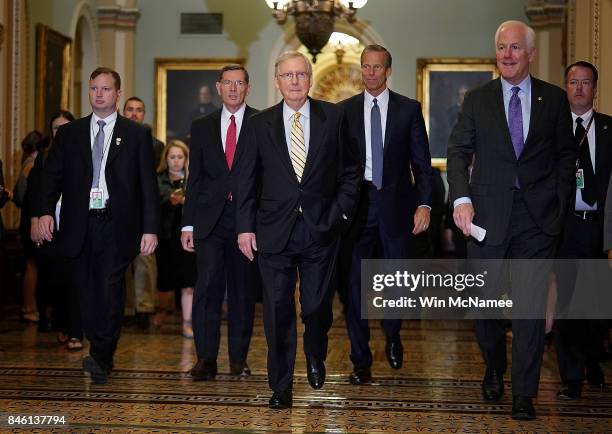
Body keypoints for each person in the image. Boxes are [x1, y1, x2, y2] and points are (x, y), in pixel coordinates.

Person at [447, 21, 577, 420]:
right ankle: (494, 365)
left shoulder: (554, 101)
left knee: (529, 309)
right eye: (501, 47)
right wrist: (462, 198)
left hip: (537, 219)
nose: (506, 54)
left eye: (515, 48)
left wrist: (556, 203)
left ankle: (524, 393)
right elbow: (457, 151)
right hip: (487, 217)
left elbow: (565, 158)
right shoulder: (477, 99)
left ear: (530, 53)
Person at [236, 51, 361, 409]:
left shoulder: (334, 117)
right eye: (287, 76)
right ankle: (281, 385)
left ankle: (315, 351)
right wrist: (245, 228)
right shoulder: (259, 124)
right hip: (273, 231)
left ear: (310, 79)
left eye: (300, 75)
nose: (294, 81)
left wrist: (339, 214)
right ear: (276, 81)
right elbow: (246, 181)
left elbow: (352, 172)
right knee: (277, 309)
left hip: (320, 229)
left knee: (317, 306)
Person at [38, 67, 160, 385]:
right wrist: (43, 212)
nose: (99, 94)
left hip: (116, 224)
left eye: (105, 89)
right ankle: (99, 345)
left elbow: (148, 186)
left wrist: (150, 229)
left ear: (117, 93)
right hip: (79, 224)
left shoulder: (136, 134)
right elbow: (51, 178)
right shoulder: (70, 134)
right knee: (84, 289)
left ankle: (102, 355)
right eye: (93, 89)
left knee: (108, 287)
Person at [339, 44, 434, 385]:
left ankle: (392, 333)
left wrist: (425, 205)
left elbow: (422, 165)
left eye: (377, 67)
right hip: (357, 208)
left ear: (388, 70)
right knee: (353, 287)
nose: (371, 73)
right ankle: (360, 360)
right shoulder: (345, 112)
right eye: (366, 67)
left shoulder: (408, 110)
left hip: (396, 206)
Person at [181, 64, 260, 380]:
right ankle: (206, 359)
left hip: (246, 222)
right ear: (218, 87)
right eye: (227, 83)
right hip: (209, 221)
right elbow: (194, 178)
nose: (232, 89)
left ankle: (238, 359)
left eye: (239, 83)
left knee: (242, 292)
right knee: (207, 288)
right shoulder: (201, 126)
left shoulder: (261, 123)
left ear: (247, 88)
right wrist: (187, 225)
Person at [553, 61, 612, 399]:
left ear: (594, 88)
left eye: (585, 83)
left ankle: (593, 360)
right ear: (566, 87)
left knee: (596, 302)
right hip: (565, 227)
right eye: (573, 82)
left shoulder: (608, 129)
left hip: (598, 228)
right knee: (567, 301)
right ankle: (571, 377)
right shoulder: (555, 130)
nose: (578, 88)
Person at [29, 110, 83, 349]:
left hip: (78, 226)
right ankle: (61, 324)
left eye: (65, 127)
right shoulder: (42, 158)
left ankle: (76, 332)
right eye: (55, 128)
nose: (60, 132)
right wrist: (35, 220)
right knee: (57, 279)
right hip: (51, 228)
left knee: (76, 280)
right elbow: (34, 193)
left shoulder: (84, 154)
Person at [122, 96, 164, 329]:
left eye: (139, 110)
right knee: (122, 262)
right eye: (130, 110)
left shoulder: (154, 144)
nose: (134, 114)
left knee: (145, 260)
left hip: (143, 207)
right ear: (123, 111)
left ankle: (144, 308)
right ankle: (126, 309)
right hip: (118, 208)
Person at [156, 140, 196, 338]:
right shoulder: (158, 178)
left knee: (189, 280)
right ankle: (160, 313)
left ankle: (187, 322)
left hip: (188, 236)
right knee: (164, 278)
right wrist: (169, 200)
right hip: (166, 236)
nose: (176, 161)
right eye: (172, 157)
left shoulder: (193, 179)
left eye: (180, 157)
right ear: (166, 159)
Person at [13, 130, 43, 323]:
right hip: (30, 220)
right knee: (32, 265)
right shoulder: (31, 165)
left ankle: (30, 306)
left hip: (29, 219)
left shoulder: (28, 163)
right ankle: (28, 307)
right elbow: (22, 197)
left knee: (33, 264)